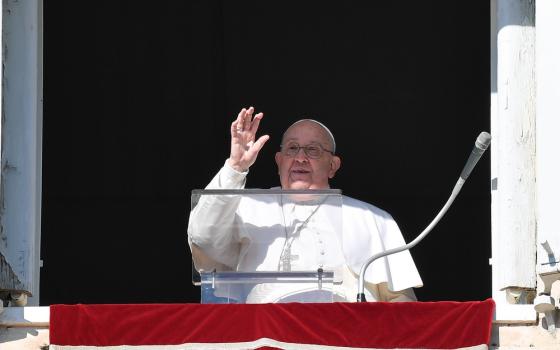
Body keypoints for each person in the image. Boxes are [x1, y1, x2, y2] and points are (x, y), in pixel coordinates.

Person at [188, 107, 422, 302]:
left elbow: (399, 302)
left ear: (333, 166)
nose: (300, 158)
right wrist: (235, 167)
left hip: (349, 332)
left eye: (313, 150)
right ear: (279, 162)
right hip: (267, 332)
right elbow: (203, 238)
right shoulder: (247, 206)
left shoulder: (372, 218)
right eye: (292, 148)